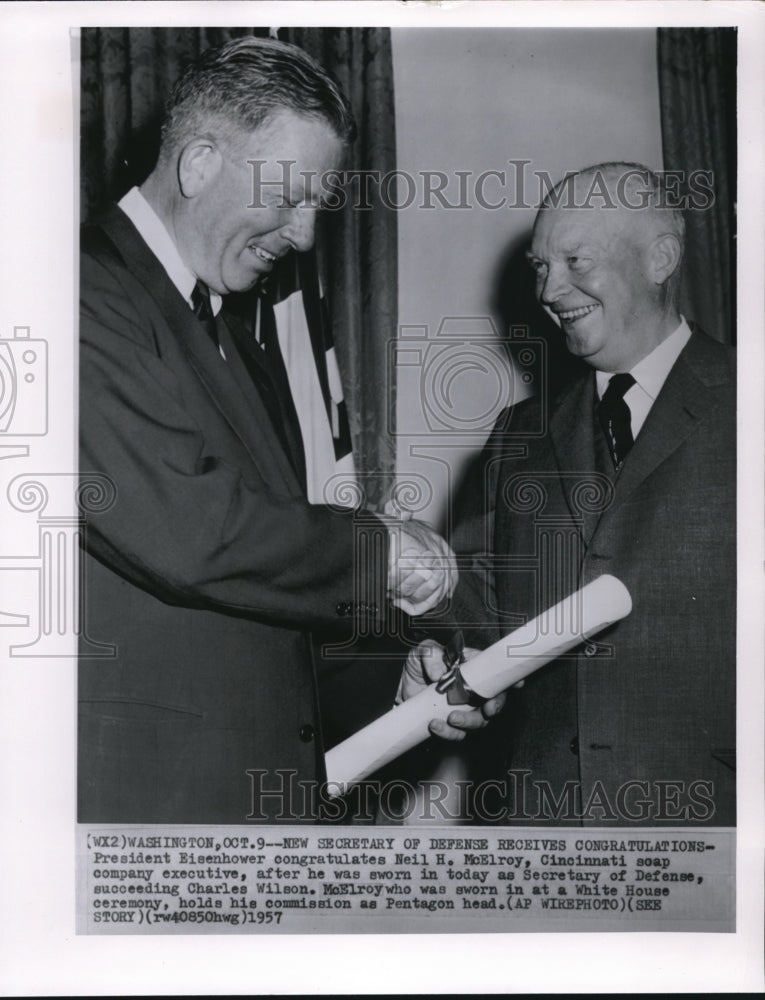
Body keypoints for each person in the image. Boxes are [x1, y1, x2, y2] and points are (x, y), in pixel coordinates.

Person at [78, 36, 469, 824]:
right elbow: (192, 536)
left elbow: (265, 598)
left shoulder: (236, 339)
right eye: (289, 197)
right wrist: (379, 550)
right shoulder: (77, 293)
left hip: (253, 803)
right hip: (153, 811)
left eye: (316, 207)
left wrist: (389, 683)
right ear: (198, 165)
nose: (303, 236)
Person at [403, 162, 735, 826]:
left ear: (659, 258)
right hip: (543, 836)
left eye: (573, 260)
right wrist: (431, 624)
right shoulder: (517, 437)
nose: (548, 288)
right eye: (537, 267)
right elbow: (476, 620)